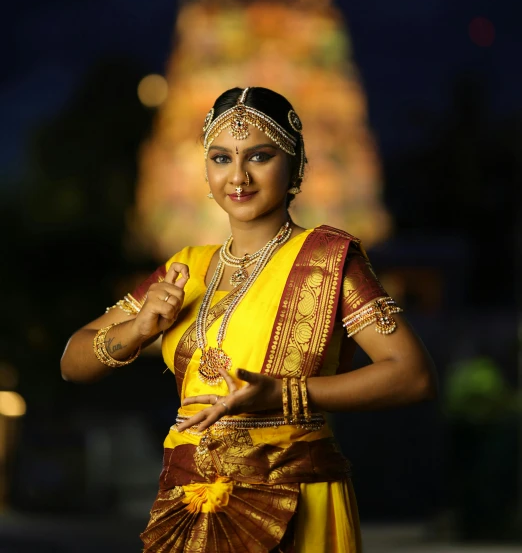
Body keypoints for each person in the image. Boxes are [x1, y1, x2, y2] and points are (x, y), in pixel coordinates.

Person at [61, 86, 437, 553]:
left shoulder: (327, 259)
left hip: (296, 493)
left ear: (294, 165)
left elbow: (413, 376)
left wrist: (284, 393)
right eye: (221, 159)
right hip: (188, 500)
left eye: (259, 156)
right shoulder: (187, 266)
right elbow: (73, 361)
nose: (238, 177)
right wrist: (137, 330)